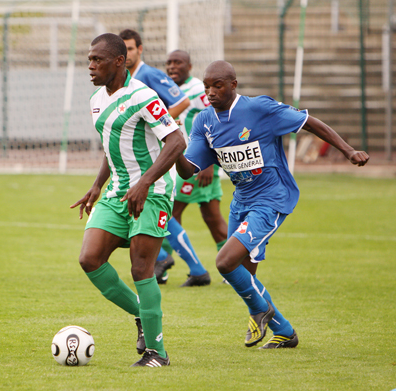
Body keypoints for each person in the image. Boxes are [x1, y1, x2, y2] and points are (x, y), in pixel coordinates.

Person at [176, 60, 369, 349]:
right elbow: (188, 168)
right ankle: (285, 332)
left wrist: (348, 150)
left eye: (217, 85)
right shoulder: (204, 121)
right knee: (244, 275)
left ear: (233, 84)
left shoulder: (259, 109)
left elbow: (309, 122)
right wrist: (172, 145)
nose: (211, 92)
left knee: (225, 262)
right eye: (206, 87)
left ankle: (260, 311)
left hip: (271, 198)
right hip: (241, 200)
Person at [70, 33, 186, 366]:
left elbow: (175, 140)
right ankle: (141, 315)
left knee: (141, 268)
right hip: (117, 192)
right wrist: (96, 186)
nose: (91, 66)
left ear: (119, 62)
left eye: (98, 60)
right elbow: (112, 145)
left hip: (153, 193)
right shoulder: (96, 99)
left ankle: (157, 353)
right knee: (90, 259)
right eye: (89, 59)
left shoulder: (143, 96)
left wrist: (146, 183)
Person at [119, 30, 211, 286]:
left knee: (158, 209)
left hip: (161, 152)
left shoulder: (148, 74)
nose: (127, 54)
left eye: (131, 49)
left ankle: (190, 267)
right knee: (132, 206)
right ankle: (166, 260)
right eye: (122, 50)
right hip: (141, 153)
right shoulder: (124, 79)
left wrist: (158, 125)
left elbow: (182, 101)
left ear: (140, 49)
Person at [151, 49, 230, 287]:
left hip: (197, 165)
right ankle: (232, 267)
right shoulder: (172, 91)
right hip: (185, 163)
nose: (172, 67)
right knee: (208, 218)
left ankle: (163, 262)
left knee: (168, 214)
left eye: (178, 63)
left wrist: (209, 163)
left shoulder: (198, 89)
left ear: (190, 66)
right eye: (169, 63)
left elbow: (218, 119)